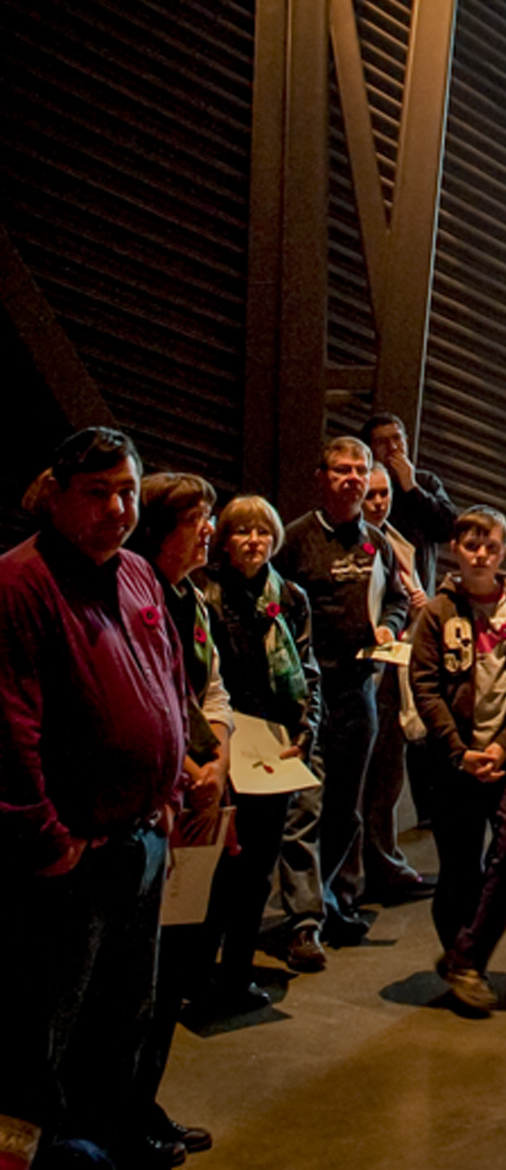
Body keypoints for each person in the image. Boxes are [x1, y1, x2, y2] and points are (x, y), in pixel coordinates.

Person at [0, 429, 191, 1170]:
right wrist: (45, 837)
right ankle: (29, 1157)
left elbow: (168, 680)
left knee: (123, 1016)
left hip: (139, 844)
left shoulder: (139, 574)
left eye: (128, 492)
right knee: (40, 1029)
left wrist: (170, 792)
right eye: (98, 493)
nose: (118, 508)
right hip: (68, 858)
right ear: (55, 494)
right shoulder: (20, 583)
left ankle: (104, 1149)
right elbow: (9, 726)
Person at [125, 474, 236, 1162]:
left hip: (197, 798)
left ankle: (141, 1102)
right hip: (154, 806)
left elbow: (211, 689)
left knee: (167, 980)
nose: (209, 530)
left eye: (211, 517)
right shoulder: (134, 590)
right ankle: (117, 1114)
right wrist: (183, 772)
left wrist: (217, 763)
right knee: (133, 986)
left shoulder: (194, 598)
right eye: (197, 517)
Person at [409, 506, 506, 1015]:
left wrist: (505, 743)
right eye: (471, 545)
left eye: (491, 545)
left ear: (503, 551)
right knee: (459, 870)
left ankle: (466, 958)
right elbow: (423, 684)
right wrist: (459, 750)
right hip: (453, 762)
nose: (481, 554)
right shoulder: (437, 613)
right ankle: (465, 964)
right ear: (455, 549)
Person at [274, 436, 410, 947]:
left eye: (361, 470)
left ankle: (333, 902)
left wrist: (391, 629)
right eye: (342, 470)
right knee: (304, 809)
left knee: (345, 810)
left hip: (360, 692)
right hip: (310, 696)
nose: (353, 479)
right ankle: (303, 923)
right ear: (321, 479)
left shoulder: (376, 542)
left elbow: (397, 598)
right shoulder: (294, 540)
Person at [201, 496, 329, 977]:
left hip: (273, 748)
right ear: (224, 541)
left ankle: (236, 972)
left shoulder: (291, 598)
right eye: (241, 532)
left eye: (262, 532)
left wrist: (306, 730)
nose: (253, 541)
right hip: (221, 746)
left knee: (257, 871)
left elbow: (309, 674)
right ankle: (196, 971)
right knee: (216, 868)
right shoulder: (205, 593)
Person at [362, 412, 456, 839]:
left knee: (425, 708)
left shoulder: (422, 484)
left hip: (422, 613)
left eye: (398, 439)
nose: (394, 448)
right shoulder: (367, 492)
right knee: (387, 720)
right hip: (378, 619)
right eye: (383, 442)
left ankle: (432, 806)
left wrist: (410, 486)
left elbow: (447, 526)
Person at [357, 462, 434, 904]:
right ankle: (368, 871)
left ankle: (383, 863)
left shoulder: (394, 541)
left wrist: (411, 604)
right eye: (371, 495)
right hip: (366, 676)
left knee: (388, 776)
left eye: (384, 494)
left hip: (396, 671)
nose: (379, 502)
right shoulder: (357, 545)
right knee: (367, 782)